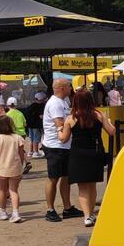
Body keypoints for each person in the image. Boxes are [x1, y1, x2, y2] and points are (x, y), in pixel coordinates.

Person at [58, 88, 116, 226]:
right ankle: (91, 214)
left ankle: (87, 216)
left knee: (82, 187)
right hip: (95, 153)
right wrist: (108, 120)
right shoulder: (98, 115)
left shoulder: (71, 118)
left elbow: (63, 139)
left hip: (78, 154)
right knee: (92, 185)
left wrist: (58, 131)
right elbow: (112, 131)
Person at [43, 78, 81, 222]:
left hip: (64, 146)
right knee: (53, 178)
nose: (71, 89)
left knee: (65, 177)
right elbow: (59, 123)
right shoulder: (54, 103)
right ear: (63, 88)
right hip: (55, 146)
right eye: (69, 87)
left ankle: (67, 207)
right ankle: (50, 209)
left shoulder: (63, 102)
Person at [0, 113, 26, 222]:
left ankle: (3, 212)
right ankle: (16, 213)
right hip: (15, 167)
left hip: (1, 168)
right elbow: (21, 155)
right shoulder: (18, 138)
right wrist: (21, 166)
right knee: (14, 190)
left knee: (2, 190)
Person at [24, 91, 46, 157]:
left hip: (30, 125)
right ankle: (36, 152)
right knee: (36, 139)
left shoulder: (31, 106)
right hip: (37, 126)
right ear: (41, 99)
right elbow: (41, 116)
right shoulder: (41, 106)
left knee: (32, 139)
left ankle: (31, 151)